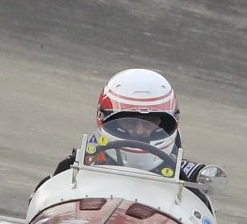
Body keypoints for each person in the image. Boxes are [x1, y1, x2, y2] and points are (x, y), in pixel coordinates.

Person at [44, 69, 222, 185]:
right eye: (129, 122)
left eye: (150, 122)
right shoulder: (77, 164)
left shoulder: (187, 174)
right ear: (104, 118)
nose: (139, 131)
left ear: (167, 122)